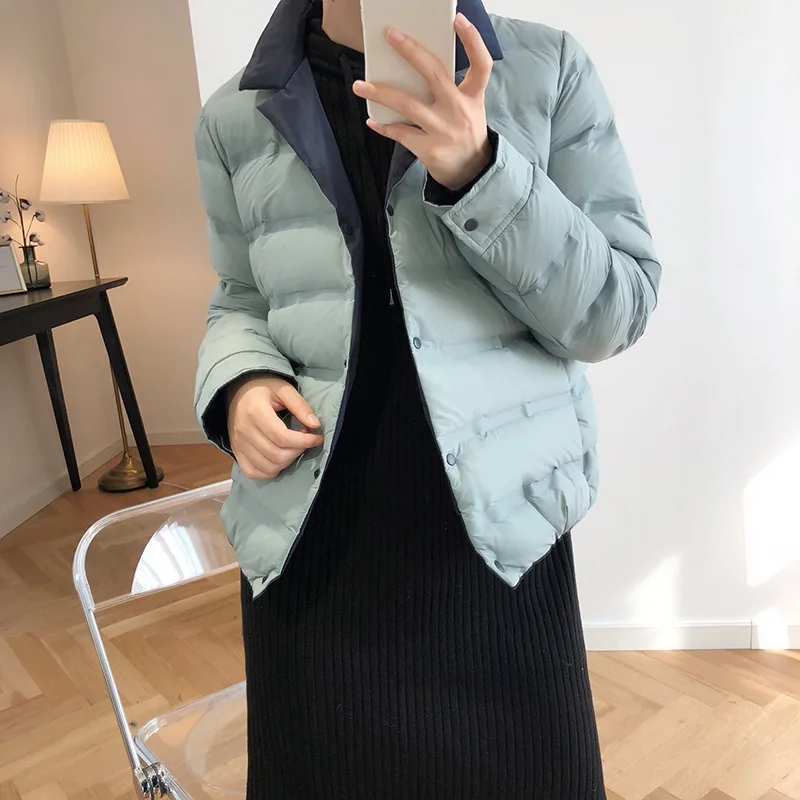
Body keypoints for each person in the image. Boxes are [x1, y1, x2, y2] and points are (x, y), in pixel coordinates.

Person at [194, 0, 660, 796]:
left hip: (496, 544)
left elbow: (617, 311)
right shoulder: (233, 115)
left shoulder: (544, 71)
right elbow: (238, 298)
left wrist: (483, 170)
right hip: (311, 546)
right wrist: (241, 381)